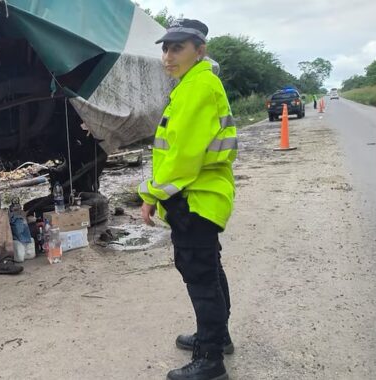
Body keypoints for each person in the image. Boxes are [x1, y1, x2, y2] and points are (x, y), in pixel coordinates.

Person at [140, 19, 237, 380]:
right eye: (165, 48)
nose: (168, 56)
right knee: (209, 269)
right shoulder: (191, 85)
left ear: (200, 50)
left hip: (194, 198)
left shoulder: (198, 87)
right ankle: (218, 335)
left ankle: (211, 359)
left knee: (200, 275)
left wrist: (149, 195)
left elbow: (182, 159)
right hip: (201, 196)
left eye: (177, 47)